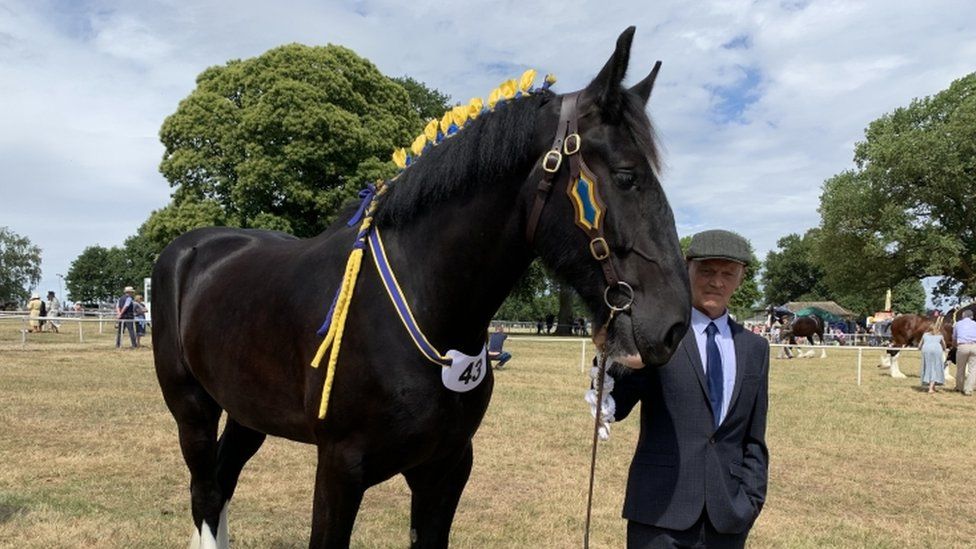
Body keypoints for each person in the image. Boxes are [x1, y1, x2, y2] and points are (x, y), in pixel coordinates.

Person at [596, 229, 769, 548]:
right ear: (685, 268)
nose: (716, 281)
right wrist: (617, 359)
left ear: (740, 278)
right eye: (706, 271)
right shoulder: (655, 334)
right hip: (659, 513)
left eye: (727, 273)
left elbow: (754, 438)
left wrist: (749, 501)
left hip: (727, 519)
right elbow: (615, 407)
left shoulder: (755, 348)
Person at [919, 321, 946, 393]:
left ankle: (931, 386)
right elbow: (944, 345)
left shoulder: (925, 335)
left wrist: (919, 348)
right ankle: (931, 388)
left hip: (926, 350)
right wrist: (945, 349)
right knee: (935, 368)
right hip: (937, 350)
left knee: (928, 367)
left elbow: (920, 345)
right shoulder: (940, 335)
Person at [954, 309, 976, 395]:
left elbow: (954, 337)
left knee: (960, 368)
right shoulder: (975, 324)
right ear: (972, 317)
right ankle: (968, 389)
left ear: (963, 316)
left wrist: (956, 346)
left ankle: (959, 387)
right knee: (973, 369)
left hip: (962, 346)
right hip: (974, 346)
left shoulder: (958, 324)